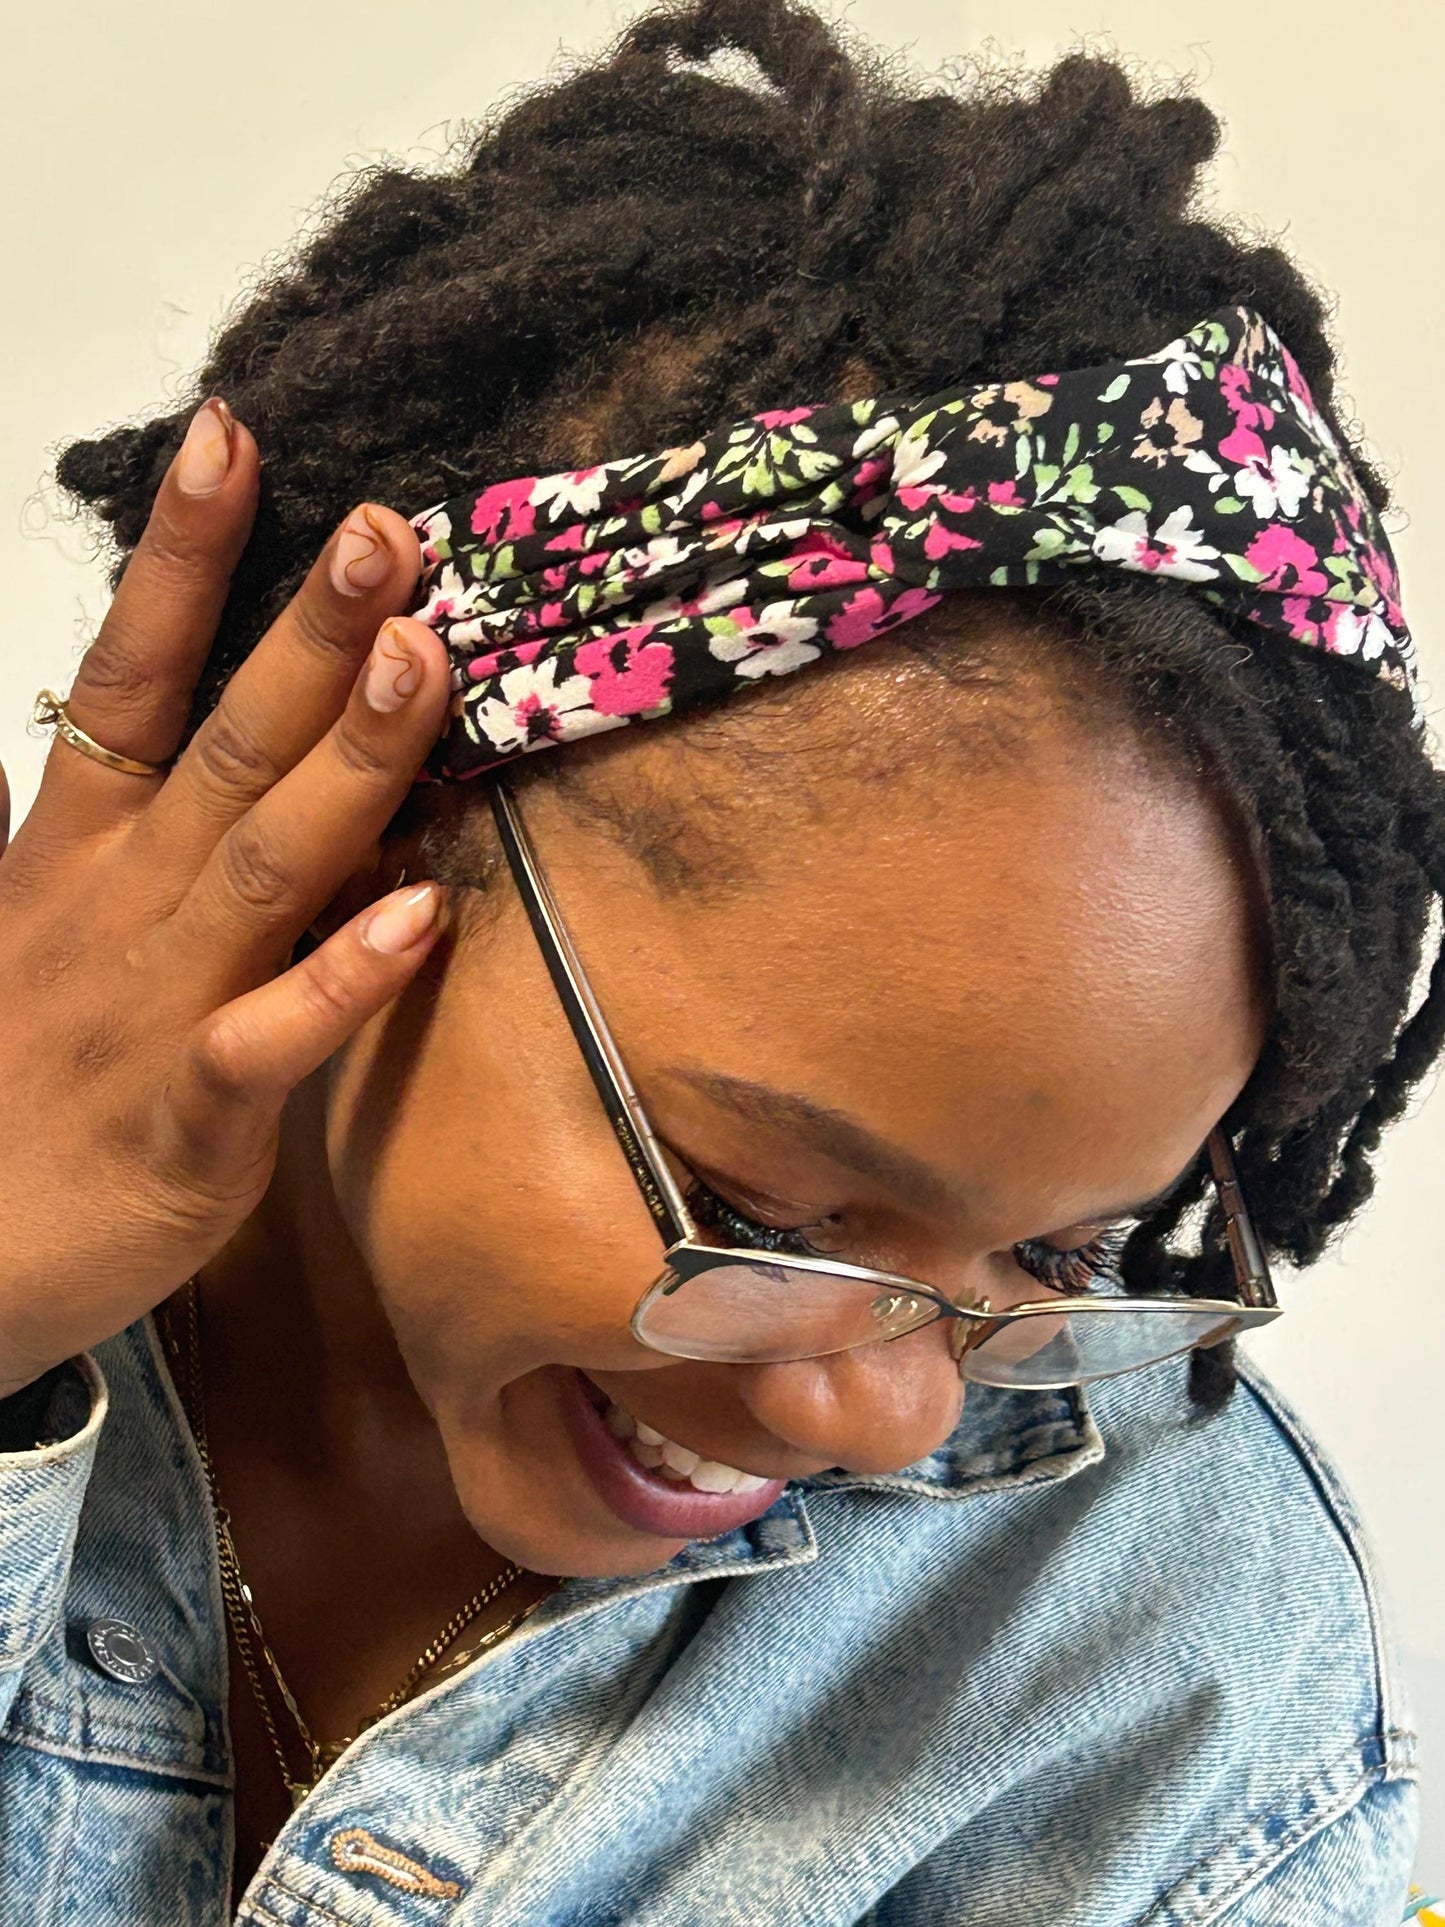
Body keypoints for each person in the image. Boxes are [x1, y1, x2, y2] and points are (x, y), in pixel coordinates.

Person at [0, 0, 1437, 1918]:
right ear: (368, 849)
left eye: (1065, 1255)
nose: (892, 1408)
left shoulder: (1153, 1656)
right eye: (763, 1202)